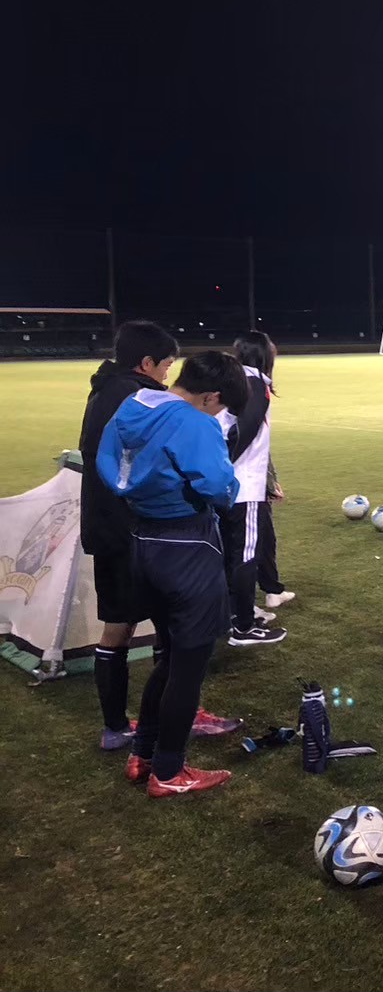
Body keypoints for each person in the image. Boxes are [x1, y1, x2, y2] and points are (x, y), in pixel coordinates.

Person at [78, 320, 240, 750]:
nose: (169, 376)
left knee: (134, 626)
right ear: (146, 363)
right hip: (141, 529)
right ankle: (144, 726)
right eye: (167, 365)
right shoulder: (138, 398)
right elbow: (197, 475)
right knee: (160, 631)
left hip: (115, 524)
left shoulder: (110, 391)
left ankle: (127, 727)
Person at [218, 331, 287, 646]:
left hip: (226, 486)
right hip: (243, 487)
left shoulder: (232, 380)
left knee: (230, 554)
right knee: (244, 556)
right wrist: (223, 468)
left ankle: (235, 613)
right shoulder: (255, 384)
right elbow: (242, 434)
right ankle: (244, 627)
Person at [255, 456, 296, 610]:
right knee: (260, 544)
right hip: (250, 494)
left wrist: (272, 483)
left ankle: (272, 589)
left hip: (247, 493)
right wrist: (271, 486)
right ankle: (242, 607)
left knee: (263, 543)